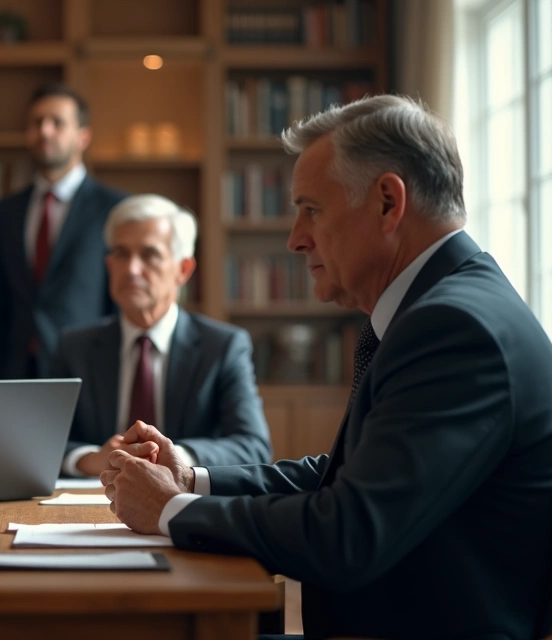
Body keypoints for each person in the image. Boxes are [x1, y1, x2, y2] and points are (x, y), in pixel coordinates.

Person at [101, 95, 552, 639]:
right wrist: (193, 479)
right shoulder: (444, 308)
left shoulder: (455, 330)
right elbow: (344, 473)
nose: (295, 238)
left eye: (311, 209)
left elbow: (348, 533)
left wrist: (172, 509)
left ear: (388, 202)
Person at [53, 194, 271, 478]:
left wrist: (175, 455)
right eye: (121, 254)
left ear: (183, 269)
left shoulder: (222, 347)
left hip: (186, 504)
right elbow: (44, 441)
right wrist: (92, 459)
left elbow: (252, 446)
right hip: (91, 499)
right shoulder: (75, 347)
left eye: (149, 255)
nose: (131, 269)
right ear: (109, 266)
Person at [0, 83, 126, 379]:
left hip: (88, 369)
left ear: (83, 136)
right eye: (36, 123)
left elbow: (120, 299)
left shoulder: (114, 208)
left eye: (57, 123)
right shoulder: (6, 211)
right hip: (14, 372)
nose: (45, 131)